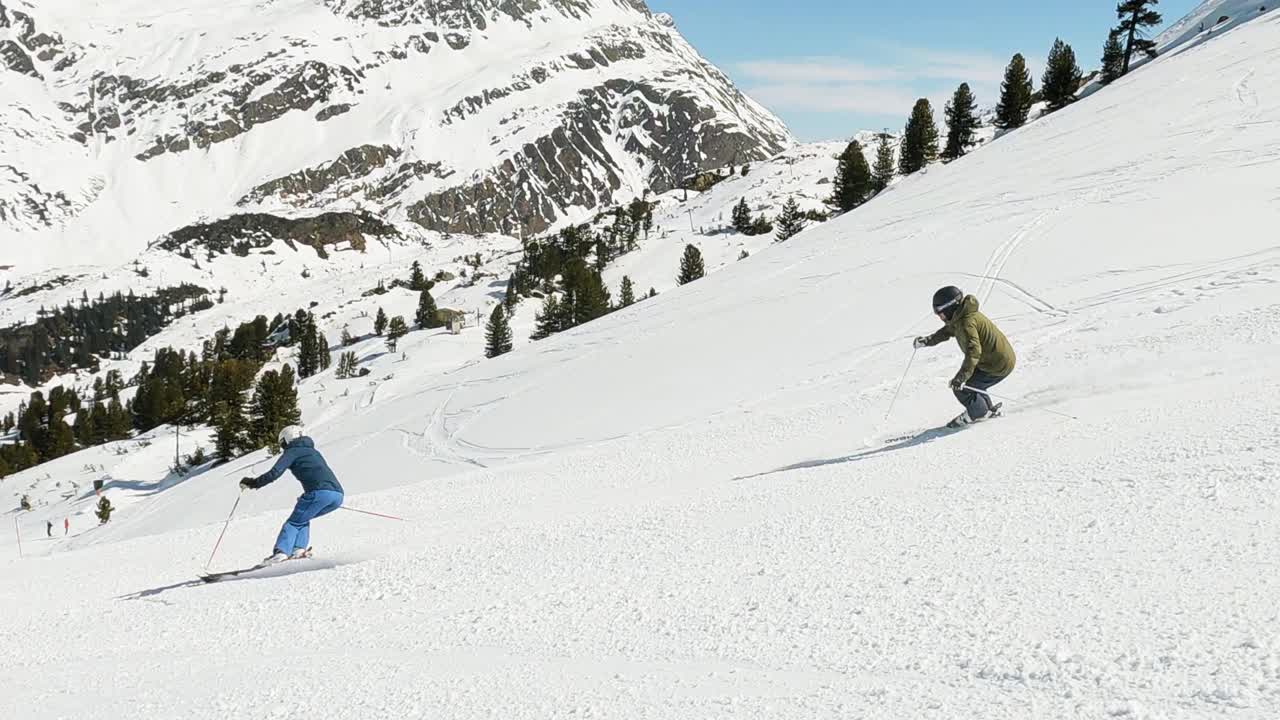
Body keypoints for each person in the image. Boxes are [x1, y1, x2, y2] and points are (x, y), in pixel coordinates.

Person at [914, 286, 1017, 428]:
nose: (939, 316)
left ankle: (979, 414)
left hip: (997, 364)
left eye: (939, 312)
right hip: (993, 360)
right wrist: (927, 341)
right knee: (973, 384)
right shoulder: (961, 316)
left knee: (962, 387)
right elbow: (947, 331)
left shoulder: (966, 323)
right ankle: (985, 409)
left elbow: (973, 352)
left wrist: (961, 378)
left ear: (950, 307)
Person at [240, 426, 344, 565]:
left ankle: (281, 554)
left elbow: (274, 473)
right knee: (302, 519)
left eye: (282, 443)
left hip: (318, 493)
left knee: (293, 523)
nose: (283, 447)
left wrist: (253, 483)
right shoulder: (314, 452)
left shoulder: (293, 451)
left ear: (287, 439)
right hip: (337, 495)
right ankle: (298, 551)